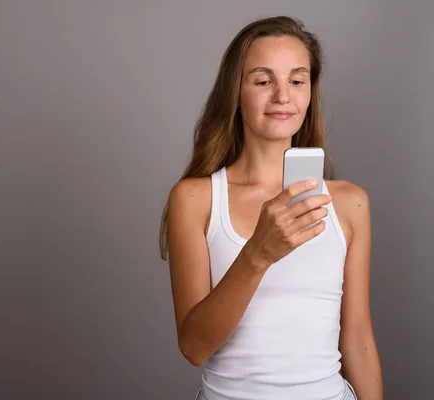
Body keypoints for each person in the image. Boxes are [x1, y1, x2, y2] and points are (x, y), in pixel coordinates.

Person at [159, 16, 383, 400]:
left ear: (310, 92)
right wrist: (258, 254)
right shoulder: (195, 199)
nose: (282, 96)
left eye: (297, 81)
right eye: (263, 81)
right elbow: (194, 347)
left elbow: (359, 338)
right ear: (236, 92)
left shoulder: (350, 203)